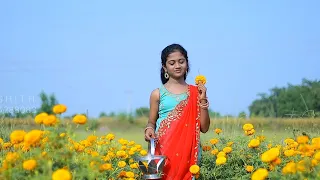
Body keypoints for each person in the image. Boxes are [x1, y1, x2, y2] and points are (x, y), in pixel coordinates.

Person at [144, 44, 211, 179]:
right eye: (172, 63)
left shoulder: (195, 92)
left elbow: (204, 128)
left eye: (181, 61)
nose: (177, 66)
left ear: (187, 64)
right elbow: (151, 122)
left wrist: (203, 100)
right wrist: (149, 130)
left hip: (188, 153)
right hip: (163, 150)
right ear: (165, 67)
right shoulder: (157, 94)